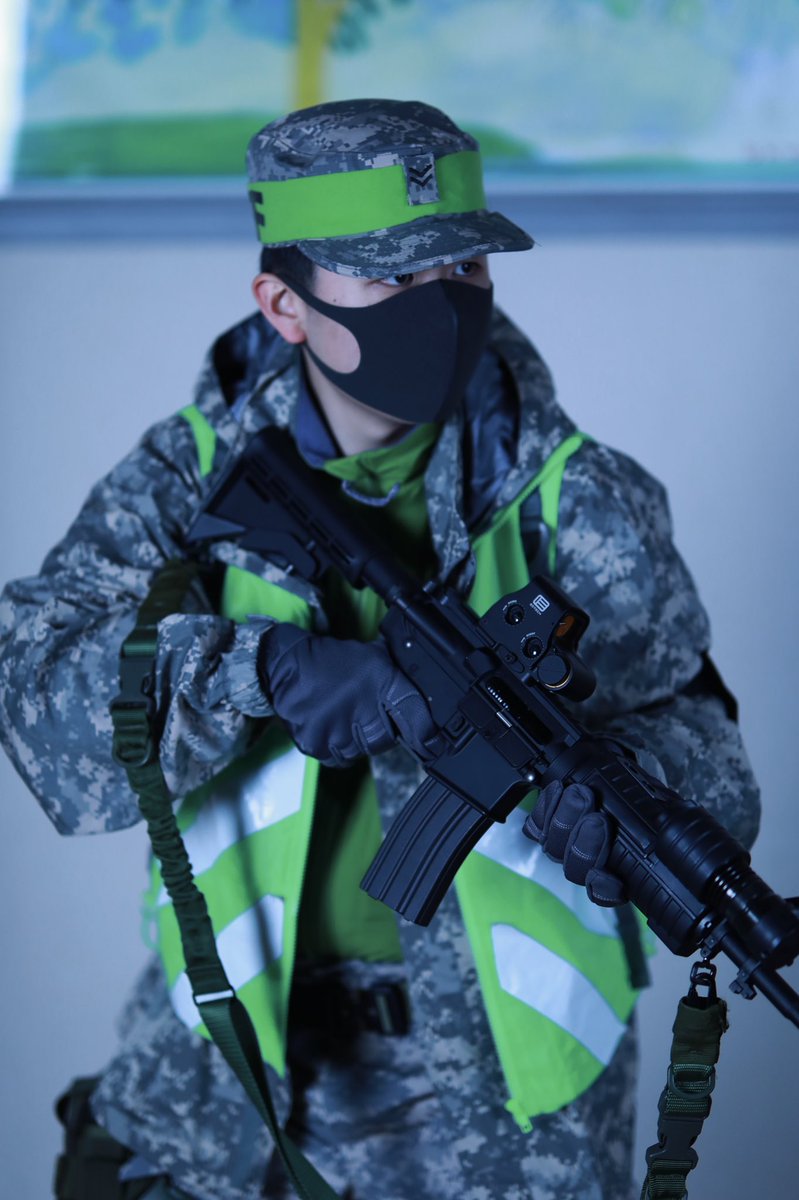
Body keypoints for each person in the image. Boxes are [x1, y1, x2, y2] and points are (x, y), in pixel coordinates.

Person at [0, 98, 759, 1200]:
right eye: (393, 277)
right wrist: (262, 673)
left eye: (462, 269)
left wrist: (637, 787)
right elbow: (42, 711)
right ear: (284, 305)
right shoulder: (187, 478)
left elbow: (705, 737)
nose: (440, 305)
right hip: (228, 1081)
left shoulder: (574, 495)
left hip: (511, 1111)